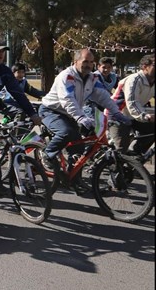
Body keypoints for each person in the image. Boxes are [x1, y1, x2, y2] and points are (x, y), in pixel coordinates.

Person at [39, 48, 129, 192]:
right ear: (75, 62)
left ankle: (73, 180)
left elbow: (103, 96)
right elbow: (67, 99)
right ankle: (48, 155)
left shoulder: (92, 78)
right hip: (51, 110)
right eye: (85, 61)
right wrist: (80, 117)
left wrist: (116, 113)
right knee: (66, 132)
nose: (88, 65)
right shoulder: (66, 76)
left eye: (91, 62)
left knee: (79, 148)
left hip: (70, 114)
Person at [108, 54, 154, 157]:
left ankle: (134, 157)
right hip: (118, 115)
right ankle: (113, 166)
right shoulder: (134, 80)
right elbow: (132, 103)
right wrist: (145, 116)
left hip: (134, 115)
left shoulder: (153, 82)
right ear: (144, 67)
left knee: (151, 130)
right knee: (121, 149)